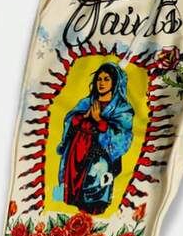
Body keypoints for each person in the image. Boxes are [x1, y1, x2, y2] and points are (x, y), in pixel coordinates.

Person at [56, 62, 134, 213]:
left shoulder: (122, 109)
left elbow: (123, 136)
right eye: (99, 79)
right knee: (69, 192)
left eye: (106, 79)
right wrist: (82, 117)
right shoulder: (87, 102)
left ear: (115, 82)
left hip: (99, 155)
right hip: (76, 153)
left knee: (94, 184)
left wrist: (99, 121)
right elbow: (70, 120)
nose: (101, 83)